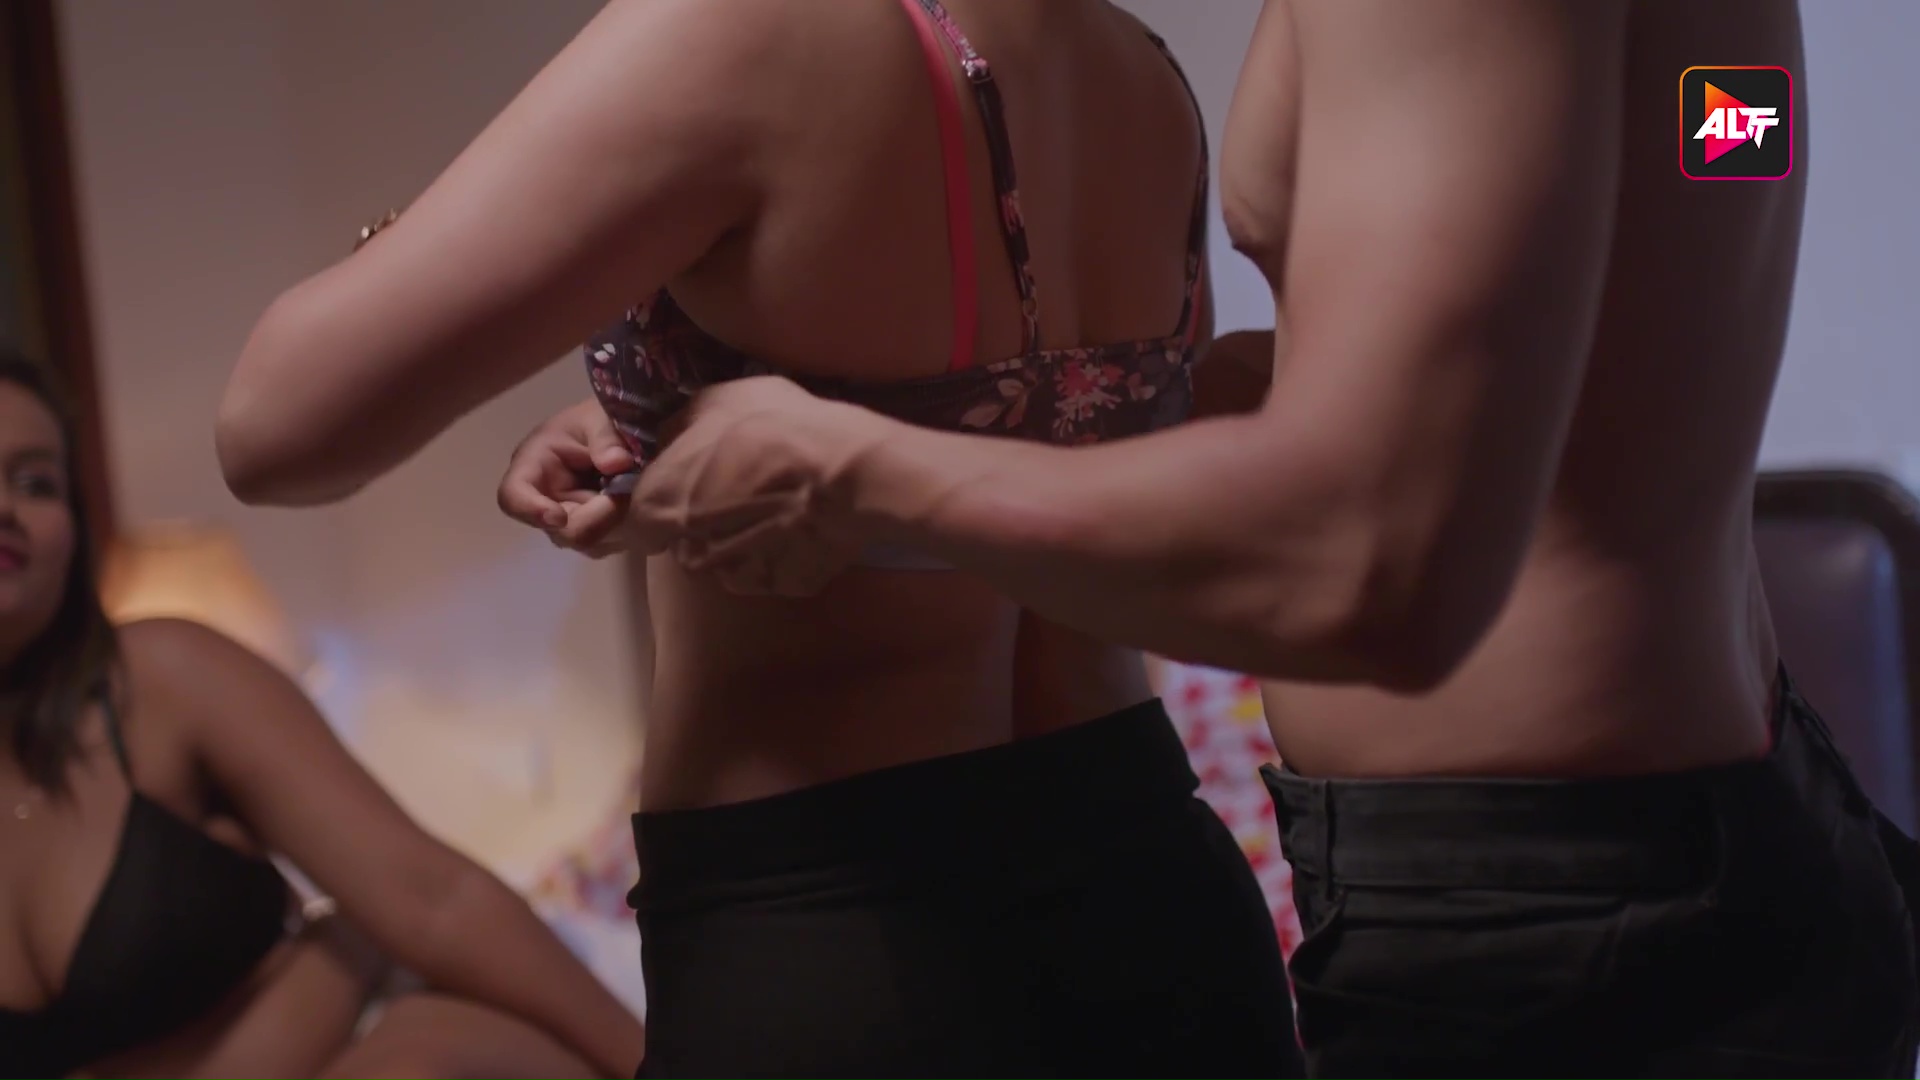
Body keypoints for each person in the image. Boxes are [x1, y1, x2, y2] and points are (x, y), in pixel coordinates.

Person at [592, 0, 1920, 1076]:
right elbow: (1618, 303)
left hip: (1558, 922)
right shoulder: (1720, 58)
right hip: (1732, 814)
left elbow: (1376, 569)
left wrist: (856, 469)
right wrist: (779, 406)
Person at [215, 0, 1304, 1077]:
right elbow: (1034, 416)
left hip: (851, 943)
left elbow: (275, 431)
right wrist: (657, 421)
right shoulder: (1128, 59)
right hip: (1164, 901)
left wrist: (431, 234)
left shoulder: (734, 27)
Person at [0, 353, 641, 1080]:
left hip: (394, 1040)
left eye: (36, 482)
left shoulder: (160, 679)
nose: (6, 509)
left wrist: (656, 1063)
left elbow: (430, 897)